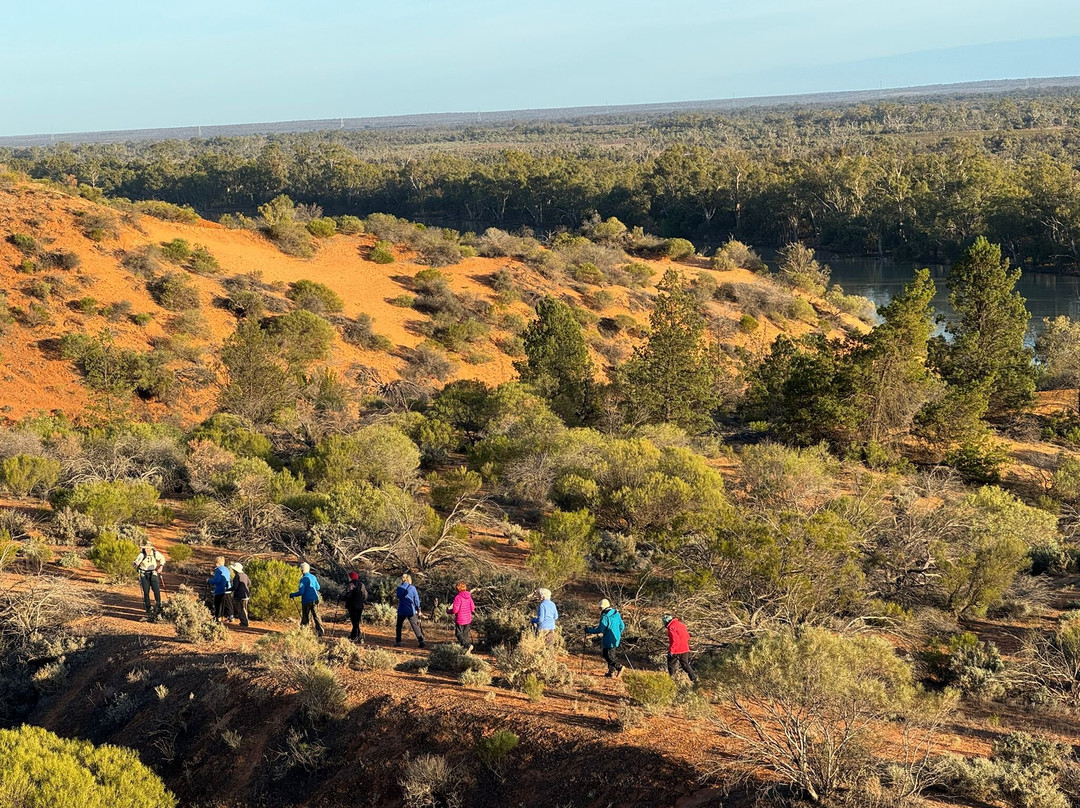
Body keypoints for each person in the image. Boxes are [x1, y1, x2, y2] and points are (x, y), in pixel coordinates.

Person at [585, 598, 625, 678]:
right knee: (612, 654)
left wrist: (588, 630)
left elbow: (600, 629)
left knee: (607, 655)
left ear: (602, 608)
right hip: (616, 638)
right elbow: (622, 626)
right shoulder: (616, 613)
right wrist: (618, 634)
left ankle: (619, 667)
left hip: (608, 639)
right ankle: (611, 673)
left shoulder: (605, 617)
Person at [132, 541, 166, 621]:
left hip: (153, 573)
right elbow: (136, 561)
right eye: (145, 548)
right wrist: (135, 563)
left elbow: (162, 558)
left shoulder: (155, 553)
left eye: (148, 548)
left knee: (156, 591)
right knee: (146, 592)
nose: (146, 550)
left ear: (151, 548)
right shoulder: (141, 554)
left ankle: (158, 607)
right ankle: (148, 609)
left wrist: (161, 566)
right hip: (144, 574)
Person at [289, 562, 323, 637]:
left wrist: (293, 594)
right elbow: (318, 588)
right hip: (315, 599)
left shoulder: (303, 579)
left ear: (302, 570)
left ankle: (304, 631)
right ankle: (320, 631)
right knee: (316, 615)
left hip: (306, 601)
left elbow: (301, 592)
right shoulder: (313, 577)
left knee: (305, 616)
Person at [663, 614, 698, 684]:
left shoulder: (671, 628)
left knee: (671, 666)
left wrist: (672, 650)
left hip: (676, 650)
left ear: (666, 622)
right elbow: (687, 636)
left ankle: (672, 681)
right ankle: (694, 680)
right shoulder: (681, 625)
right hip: (685, 648)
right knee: (685, 665)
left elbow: (675, 640)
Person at [395, 573, 424, 648]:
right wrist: (418, 609)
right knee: (415, 625)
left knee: (399, 625)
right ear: (409, 579)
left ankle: (398, 641)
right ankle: (421, 641)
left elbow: (398, 597)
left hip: (401, 609)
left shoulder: (399, 588)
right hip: (411, 610)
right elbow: (416, 600)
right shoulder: (412, 588)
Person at [446, 581, 475, 649]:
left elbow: (455, 610)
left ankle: (467, 645)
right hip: (468, 619)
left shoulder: (458, 597)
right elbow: (472, 607)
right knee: (465, 635)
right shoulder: (469, 597)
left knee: (458, 634)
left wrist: (448, 611)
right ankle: (465, 649)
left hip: (460, 619)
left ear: (458, 589)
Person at [340, 572, 368, 642]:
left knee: (354, 622)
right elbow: (365, 595)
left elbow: (347, 595)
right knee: (356, 621)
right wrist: (362, 600)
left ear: (351, 577)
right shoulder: (362, 585)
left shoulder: (351, 585)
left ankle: (358, 636)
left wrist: (341, 598)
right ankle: (353, 635)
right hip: (360, 606)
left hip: (352, 606)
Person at [207, 556, 233, 622]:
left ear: (217, 563)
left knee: (218, 604)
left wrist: (209, 581)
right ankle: (231, 616)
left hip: (220, 589)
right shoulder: (226, 569)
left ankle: (218, 617)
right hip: (228, 588)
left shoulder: (218, 570)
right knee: (227, 604)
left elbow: (217, 580)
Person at [231, 562, 251, 628]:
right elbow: (249, 583)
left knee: (241, 609)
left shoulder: (237, 576)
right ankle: (246, 621)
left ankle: (244, 623)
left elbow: (235, 587)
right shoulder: (245, 575)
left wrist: (229, 590)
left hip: (240, 595)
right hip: (246, 595)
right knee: (244, 608)